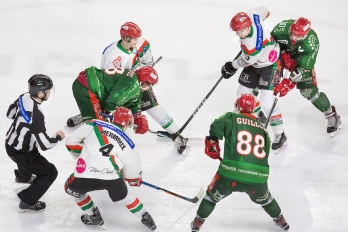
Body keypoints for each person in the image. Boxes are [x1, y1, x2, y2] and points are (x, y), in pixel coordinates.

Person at [190, 94, 290, 231]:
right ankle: (281, 220)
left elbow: (215, 128)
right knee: (267, 200)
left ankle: (197, 224)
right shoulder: (263, 131)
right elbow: (264, 154)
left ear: (237, 106)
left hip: (229, 175)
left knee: (211, 198)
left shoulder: (231, 118)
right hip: (257, 178)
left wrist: (212, 144)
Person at [100, 22, 190, 155]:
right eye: (134, 38)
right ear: (126, 38)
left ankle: (177, 135)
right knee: (121, 116)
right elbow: (108, 81)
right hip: (121, 88)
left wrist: (143, 74)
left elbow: (147, 63)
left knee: (155, 108)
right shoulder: (112, 56)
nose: (137, 40)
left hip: (139, 82)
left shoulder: (141, 44)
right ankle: (109, 145)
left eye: (137, 37)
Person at [64, 107, 156, 230]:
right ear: (128, 123)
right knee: (128, 198)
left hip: (85, 174)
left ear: (113, 118)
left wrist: (83, 154)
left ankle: (94, 216)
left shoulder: (94, 123)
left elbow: (70, 142)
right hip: (111, 177)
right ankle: (146, 218)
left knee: (73, 190)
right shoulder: (128, 140)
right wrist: (133, 180)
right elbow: (132, 168)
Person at [221, 6, 287, 154]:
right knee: (242, 93)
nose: (238, 34)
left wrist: (231, 66)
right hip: (257, 62)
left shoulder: (252, 46)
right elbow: (265, 10)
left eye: (240, 31)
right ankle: (260, 117)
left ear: (246, 27)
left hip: (270, 64)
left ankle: (280, 134)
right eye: (236, 31)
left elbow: (245, 61)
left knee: (266, 100)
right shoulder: (253, 15)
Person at [271, 17, 342, 137]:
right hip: (279, 59)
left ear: (305, 34)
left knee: (309, 92)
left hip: (300, 64)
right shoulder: (281, 29)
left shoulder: (312, 42)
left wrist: (289, 82)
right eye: (292, 34)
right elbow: (270, 46)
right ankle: (254, 110)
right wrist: (282, 56)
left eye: (297, 37)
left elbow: (304, 67)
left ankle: (331, 115)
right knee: (264, 77)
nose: (293, 38)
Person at [5, 74, 65, 212]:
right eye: (48, 90)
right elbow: (45, 144)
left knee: (26, 154)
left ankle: (23, 176)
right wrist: (58, 137)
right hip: (23, 152)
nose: (49, 93)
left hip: (9, 143)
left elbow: (10, 114)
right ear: (40, 93)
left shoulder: (24, 96)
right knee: (50, 173)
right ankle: (27, 200)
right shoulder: (36, 114)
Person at [72, 65, 158, 135]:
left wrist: (137, 116)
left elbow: (135, 102)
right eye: (147, 84)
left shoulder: (133, 80)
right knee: (99, 129)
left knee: (101, 126)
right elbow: (110, 103)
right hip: (88, 89)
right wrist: (121, 118)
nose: (147, 87)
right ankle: (86, 149)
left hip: (88, 84)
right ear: (143, 79)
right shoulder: (132, 83)